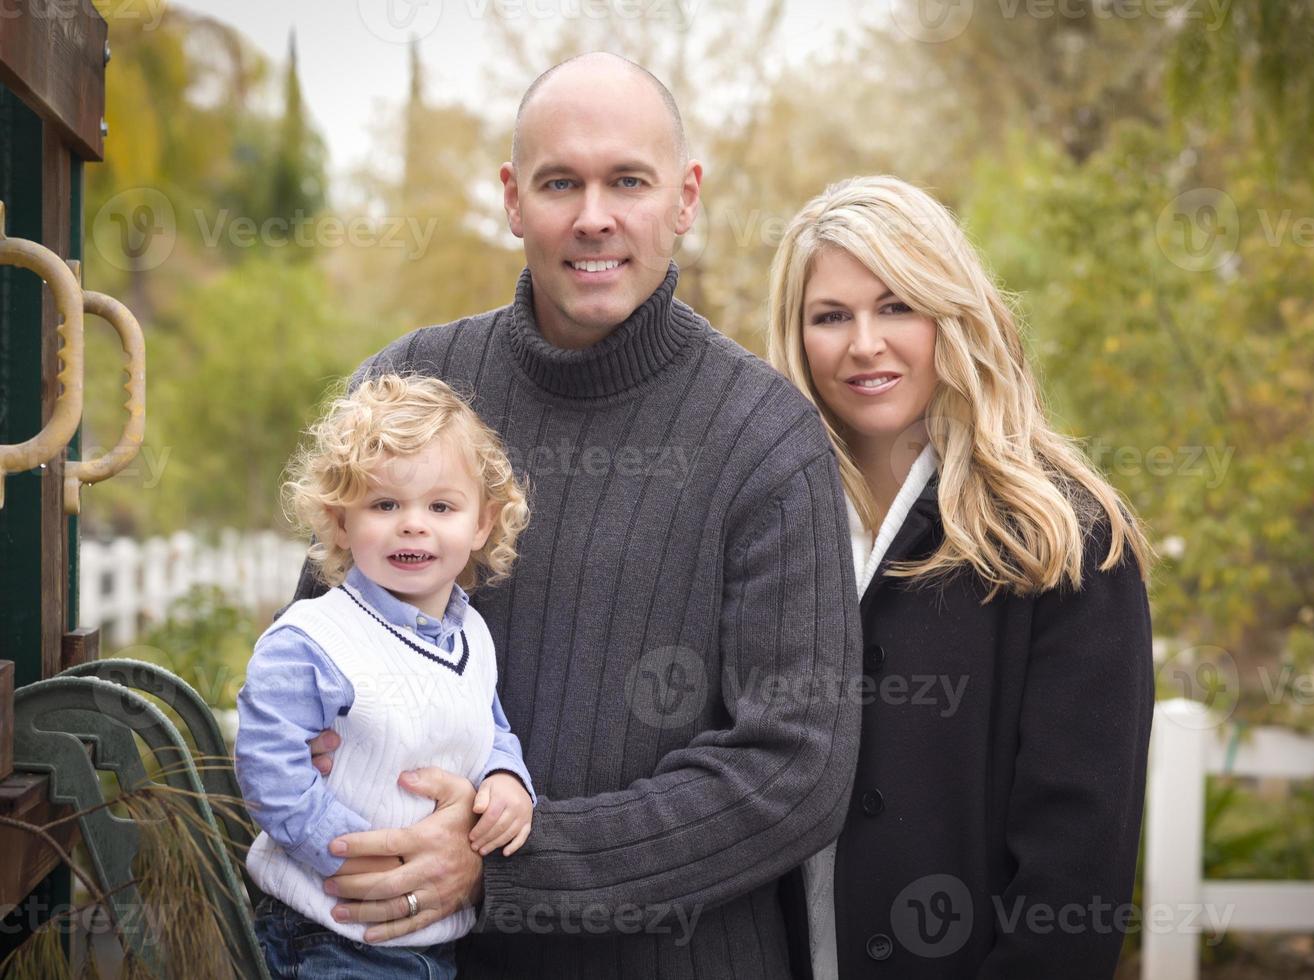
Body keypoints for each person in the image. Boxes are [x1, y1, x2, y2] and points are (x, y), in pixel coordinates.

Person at [289, 53, 862, 977]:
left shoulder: (766, 438)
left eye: (627, 180)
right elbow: (314, 665)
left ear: (684, 197)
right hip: (412, 959)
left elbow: (795, 772)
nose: (593, 215)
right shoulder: (411, 391)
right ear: (514, 200)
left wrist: (510, 863)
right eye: (562, 182)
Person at [767, 175, 1155, 978]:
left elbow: (1077, 861)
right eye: (831, 316)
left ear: (952, 314)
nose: (864, 343)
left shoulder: (1063, 539)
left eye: (897, 305)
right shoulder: (766, 528)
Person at [236, 374, 537, 978]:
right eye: (384, 505)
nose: (413, 524)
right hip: (330, 933)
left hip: (435, 944)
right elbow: (269, 765)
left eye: (441, 506)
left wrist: (507, 780)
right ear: (340, 523)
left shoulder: (470, 636)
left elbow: (490, 727)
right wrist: (345, 854)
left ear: (482, 524)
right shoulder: (315, 640)